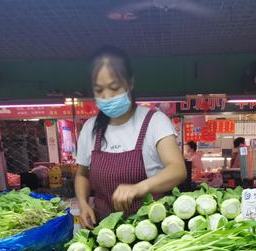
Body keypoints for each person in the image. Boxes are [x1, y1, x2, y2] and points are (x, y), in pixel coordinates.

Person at [75, 47, 186, 228]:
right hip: (104, 233)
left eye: (114, 88)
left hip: (150, 231)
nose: (107, 96)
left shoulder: (154, 122)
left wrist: (139, 187)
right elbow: (82, 174)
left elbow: (177, 169)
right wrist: (83, 203)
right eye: (99, 90)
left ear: (130, 84)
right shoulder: (90, 128)